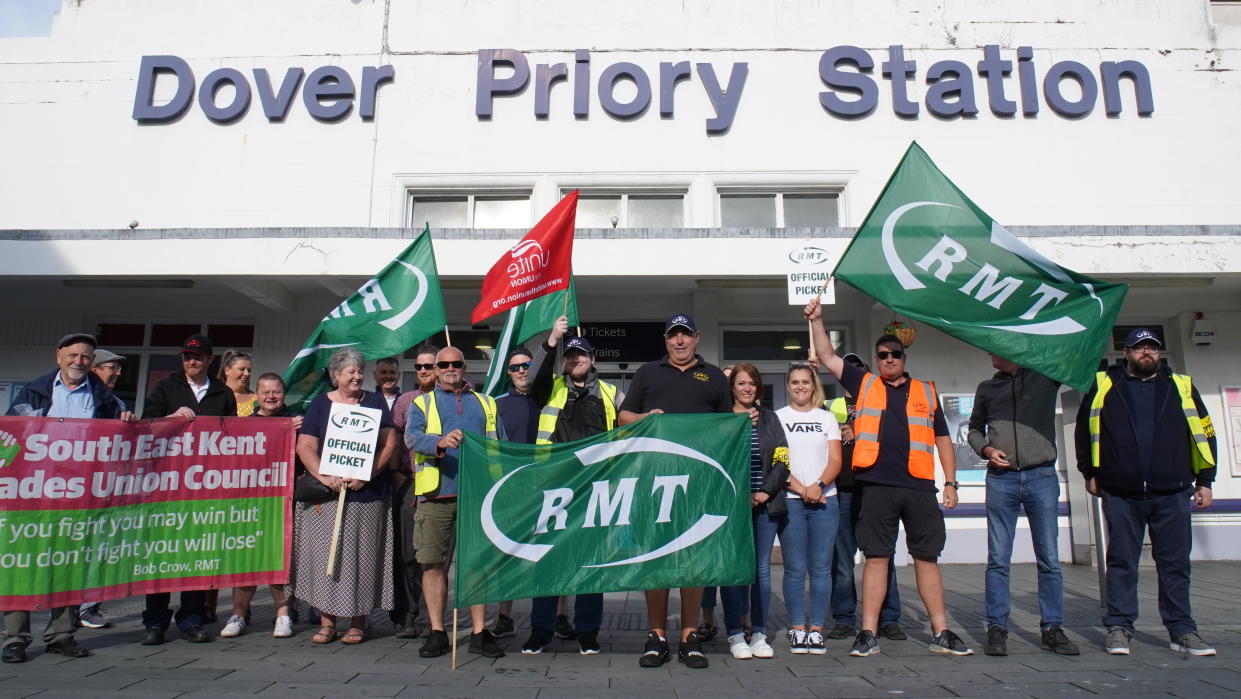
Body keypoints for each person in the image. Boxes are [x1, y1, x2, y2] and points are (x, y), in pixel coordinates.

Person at [804, 298, 971, 657]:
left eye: (895, 353)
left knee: (927, 558)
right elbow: (829, 356)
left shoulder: (927, 391)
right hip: (877, 487)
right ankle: (868, 633)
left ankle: (941, 631)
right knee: (876, 557)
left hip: (919, 487)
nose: (889, 359)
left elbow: (943, 439)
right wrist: (817, 320)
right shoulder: (864, 384)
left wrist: (951, 483)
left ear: (904, 358)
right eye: (883, 355)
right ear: (876, 360)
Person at [1074, 328, 1217, 656]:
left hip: (1173, 492)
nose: (1147, 353)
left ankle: (1182, 630)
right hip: (1121, 493)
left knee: (1175, 564)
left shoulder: (1180, 386)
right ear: (1126, 353)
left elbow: (1205, 432)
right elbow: (1085, 430)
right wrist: (1089, 472)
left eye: (1152, 348)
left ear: (1159, 353)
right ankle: (1120, 627)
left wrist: (1206, 479)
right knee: (1122, 562)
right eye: (1140, 349)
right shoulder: (1104, 384)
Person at [2, 333, 130, 664]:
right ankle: (15, 637)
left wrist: (128, 424)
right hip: (33, 492)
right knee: (23, 563)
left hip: (78, 494)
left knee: (68, 564)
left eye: (85, 357)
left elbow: (122, 440)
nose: (79, 362)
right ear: (59, 356)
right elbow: (11, 438)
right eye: (73, 355)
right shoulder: (34, 391)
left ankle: (61, 634)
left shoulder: (106, 400)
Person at [617, 313, 732, 669]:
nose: (679, 342)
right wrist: (647, 418)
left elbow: (728, 426)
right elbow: (624, 417)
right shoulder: (647, 373)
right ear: (665, 341)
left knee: (692, 559)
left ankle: (689, 636)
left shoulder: (713, 376)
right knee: (658, 557)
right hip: (655, 480)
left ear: (697, 337)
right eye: (673, 336)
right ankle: (656, 636)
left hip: (699, 483)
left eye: (685, 335)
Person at [521, 317, 623, 656]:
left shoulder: (611, 393)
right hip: (555, 490)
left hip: (597, 492)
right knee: (548, 562)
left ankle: (588, 633)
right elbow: (531, 378)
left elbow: (629, 433)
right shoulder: (551, 387)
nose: (575, 360)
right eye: (570, 356)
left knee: (592, 564)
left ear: (593, 360)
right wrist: (552, 339)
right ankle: (540, 631)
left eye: (581, 355)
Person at [968, 353, 1077, 656]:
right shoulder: (987, 388)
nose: (988, 352)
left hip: (1040, 475)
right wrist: (986, 449)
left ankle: (1053, 628)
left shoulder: (1045, 377)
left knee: (1049, 558)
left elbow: (1070, 354)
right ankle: (997, 627)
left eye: (993, 348)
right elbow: (974, 429)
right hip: (1001, 479)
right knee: (998, 558)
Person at [289, 348, 398, 645]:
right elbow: (305, 446)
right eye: (350, 371)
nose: (357, 376)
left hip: (366, 495)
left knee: (361, 560)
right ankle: (326, 623)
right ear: (335, 375)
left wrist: (368, 474)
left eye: (360, 371)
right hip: (327, 496)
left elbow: (389, 443)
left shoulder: (374, 402)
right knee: (328, 559)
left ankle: (358, 622)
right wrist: (324, 477)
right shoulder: (320, 406)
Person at [407, 347, 507, 659]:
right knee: (433, 564)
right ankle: (437, 631)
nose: (450, 368)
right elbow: (412, 438)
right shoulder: (421, 402)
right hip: (436, 495)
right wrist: (438, 441)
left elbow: (500, 445)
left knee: (477, 565)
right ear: (434, 370)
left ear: (465, 367)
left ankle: (479, 631)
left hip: (477, 495)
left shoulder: (486, 403)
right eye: (443, 364)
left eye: (456, 363)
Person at [140, 333, 236, 645]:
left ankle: (192, 619)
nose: (191, 362)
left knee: (197, 553)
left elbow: (235, 435)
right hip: (166, 485)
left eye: (197, 357)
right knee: (159, 555)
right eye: (186, 357)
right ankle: (155, 621)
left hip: (205, 486)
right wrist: (170, 418)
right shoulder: (165, 387)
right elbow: (146, 426)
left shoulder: (222, 392)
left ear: (210, 360)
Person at [825, 353, 905, 643]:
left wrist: (859, 431)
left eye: (858, 369)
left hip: (875, 489)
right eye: (848, 369)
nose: (853, 373)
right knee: (842, 561)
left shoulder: (881, 402)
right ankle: (844, 618)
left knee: (883, 557)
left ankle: (889, 618)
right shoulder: (829, 406)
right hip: (843, 490)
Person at [221, 373, 302, 639]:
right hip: (251, 503)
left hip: (284, 503)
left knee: (280, 563)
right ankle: (238, 615)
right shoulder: (245, 425)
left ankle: (283, 615)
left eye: (276, 392)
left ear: (283, 393)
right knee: (247, 561)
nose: (271, 397)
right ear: (256, 395)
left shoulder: (296, 422)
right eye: (265, 392)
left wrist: (301, 431)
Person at [720, 362, 788, 660]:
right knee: (734, 569)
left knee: (761, 569)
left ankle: (759, 631)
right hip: (732, 507)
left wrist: (764, 492)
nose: (747, 388)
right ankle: (735, 632)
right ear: (732, 387)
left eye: (751, 384)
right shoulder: (721, 420)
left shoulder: (771, 419)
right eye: (741, 383)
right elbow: (718, 461)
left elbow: (782, 459)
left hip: (765, 504)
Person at [777, 363, 842, 655]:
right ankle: (796, 628)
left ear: (814, 385)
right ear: (787, 386)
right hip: (791, 502)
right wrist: (803, 490)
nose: (800, 386)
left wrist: (818, 486)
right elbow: (777, 463)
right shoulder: (777, 418)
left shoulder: (827, 418)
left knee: (820, 570)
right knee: (794, 569)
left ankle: (816, 629)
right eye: (794, 382)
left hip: (826, 501)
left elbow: (836, 461)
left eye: (805, 381)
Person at [388, 344, 439, 639]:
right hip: (409, 484)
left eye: (428, 366)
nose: (422, 371)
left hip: (441, 486)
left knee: (434, 559)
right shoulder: (406, 400)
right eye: (419, 366)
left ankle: (434, 617)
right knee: (407, 553)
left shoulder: (450, 400)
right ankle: (406, 615)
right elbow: (395, 438)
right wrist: (395, 473)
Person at [77, 348, 129, 630]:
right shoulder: (78, 401)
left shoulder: (116, 403)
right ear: (95, 369)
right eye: (112, 367)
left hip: (102, 489)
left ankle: (87, 607)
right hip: (67, 487)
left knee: (98, 547)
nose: (118, 373)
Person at [490, 346, 539, 640]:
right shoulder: (495, 404)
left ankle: (556, 615)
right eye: (516, 367)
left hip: (547, 487)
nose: (521, 371)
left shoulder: (548, 398)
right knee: (507, 555)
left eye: (526, 366)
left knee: (548, 553)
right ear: (508, 373)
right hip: (509, 490)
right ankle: (505, 615)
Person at [220, 350, 256, 417]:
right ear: (227, 370)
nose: (247, 374)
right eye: (242, 369)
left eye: (249, 370)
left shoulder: (257, 399)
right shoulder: (215, 397)